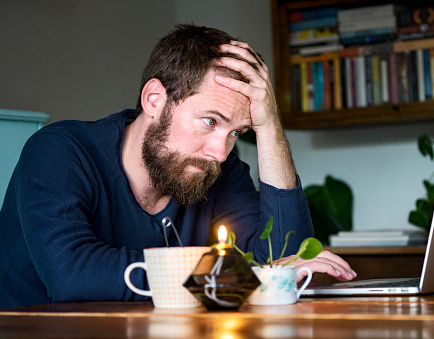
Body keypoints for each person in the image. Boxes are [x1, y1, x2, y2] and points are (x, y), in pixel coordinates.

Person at [0, 24, 356, 308]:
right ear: (155, 99)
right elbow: (72, 275)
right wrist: (241, 277)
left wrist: (269, 126)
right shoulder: (59, 152)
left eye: (237, 132)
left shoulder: (217, 168)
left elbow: (283, 258)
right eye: (210, 121)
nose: (220, 150)